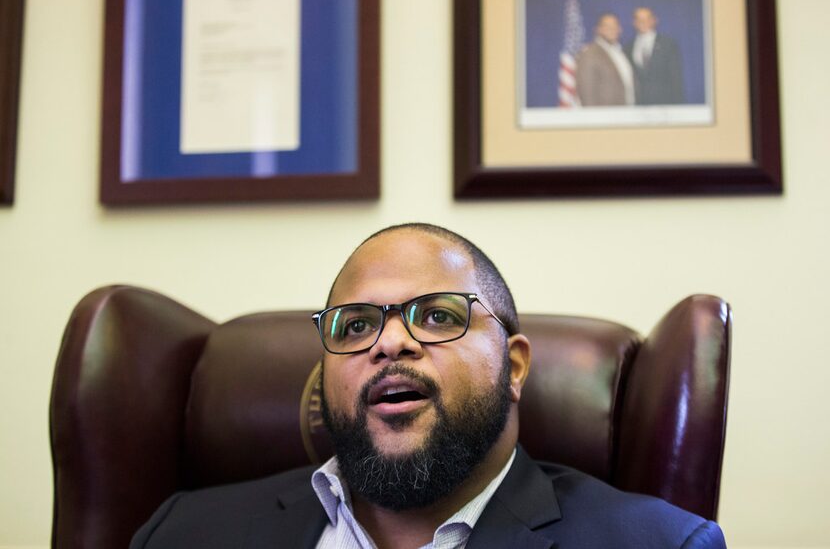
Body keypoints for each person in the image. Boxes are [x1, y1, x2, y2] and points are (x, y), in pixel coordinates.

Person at [130, 223, 727, 548]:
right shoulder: (181, 532)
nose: (388, 343)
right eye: (357, 325)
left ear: (514, 366)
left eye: (438, 315)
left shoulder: (658, 545)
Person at [625, 7, 685, 105]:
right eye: (639, 19)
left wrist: (678, 107)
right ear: (634, 23)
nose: (643, 22)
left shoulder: (668, 44)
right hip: (638, 105)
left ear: (654, 21)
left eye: (647, 19)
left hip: (665, 105)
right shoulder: (628, 48)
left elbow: (676, 79)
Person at [576, 13, 636, 106]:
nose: (612, 29)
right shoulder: (589, 54)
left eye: (615, 25)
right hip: (606, 117)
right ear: (598, 30)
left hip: (627, 112)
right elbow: (587, 94)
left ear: (620, 29)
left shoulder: (622, 52)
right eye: (607, 26)